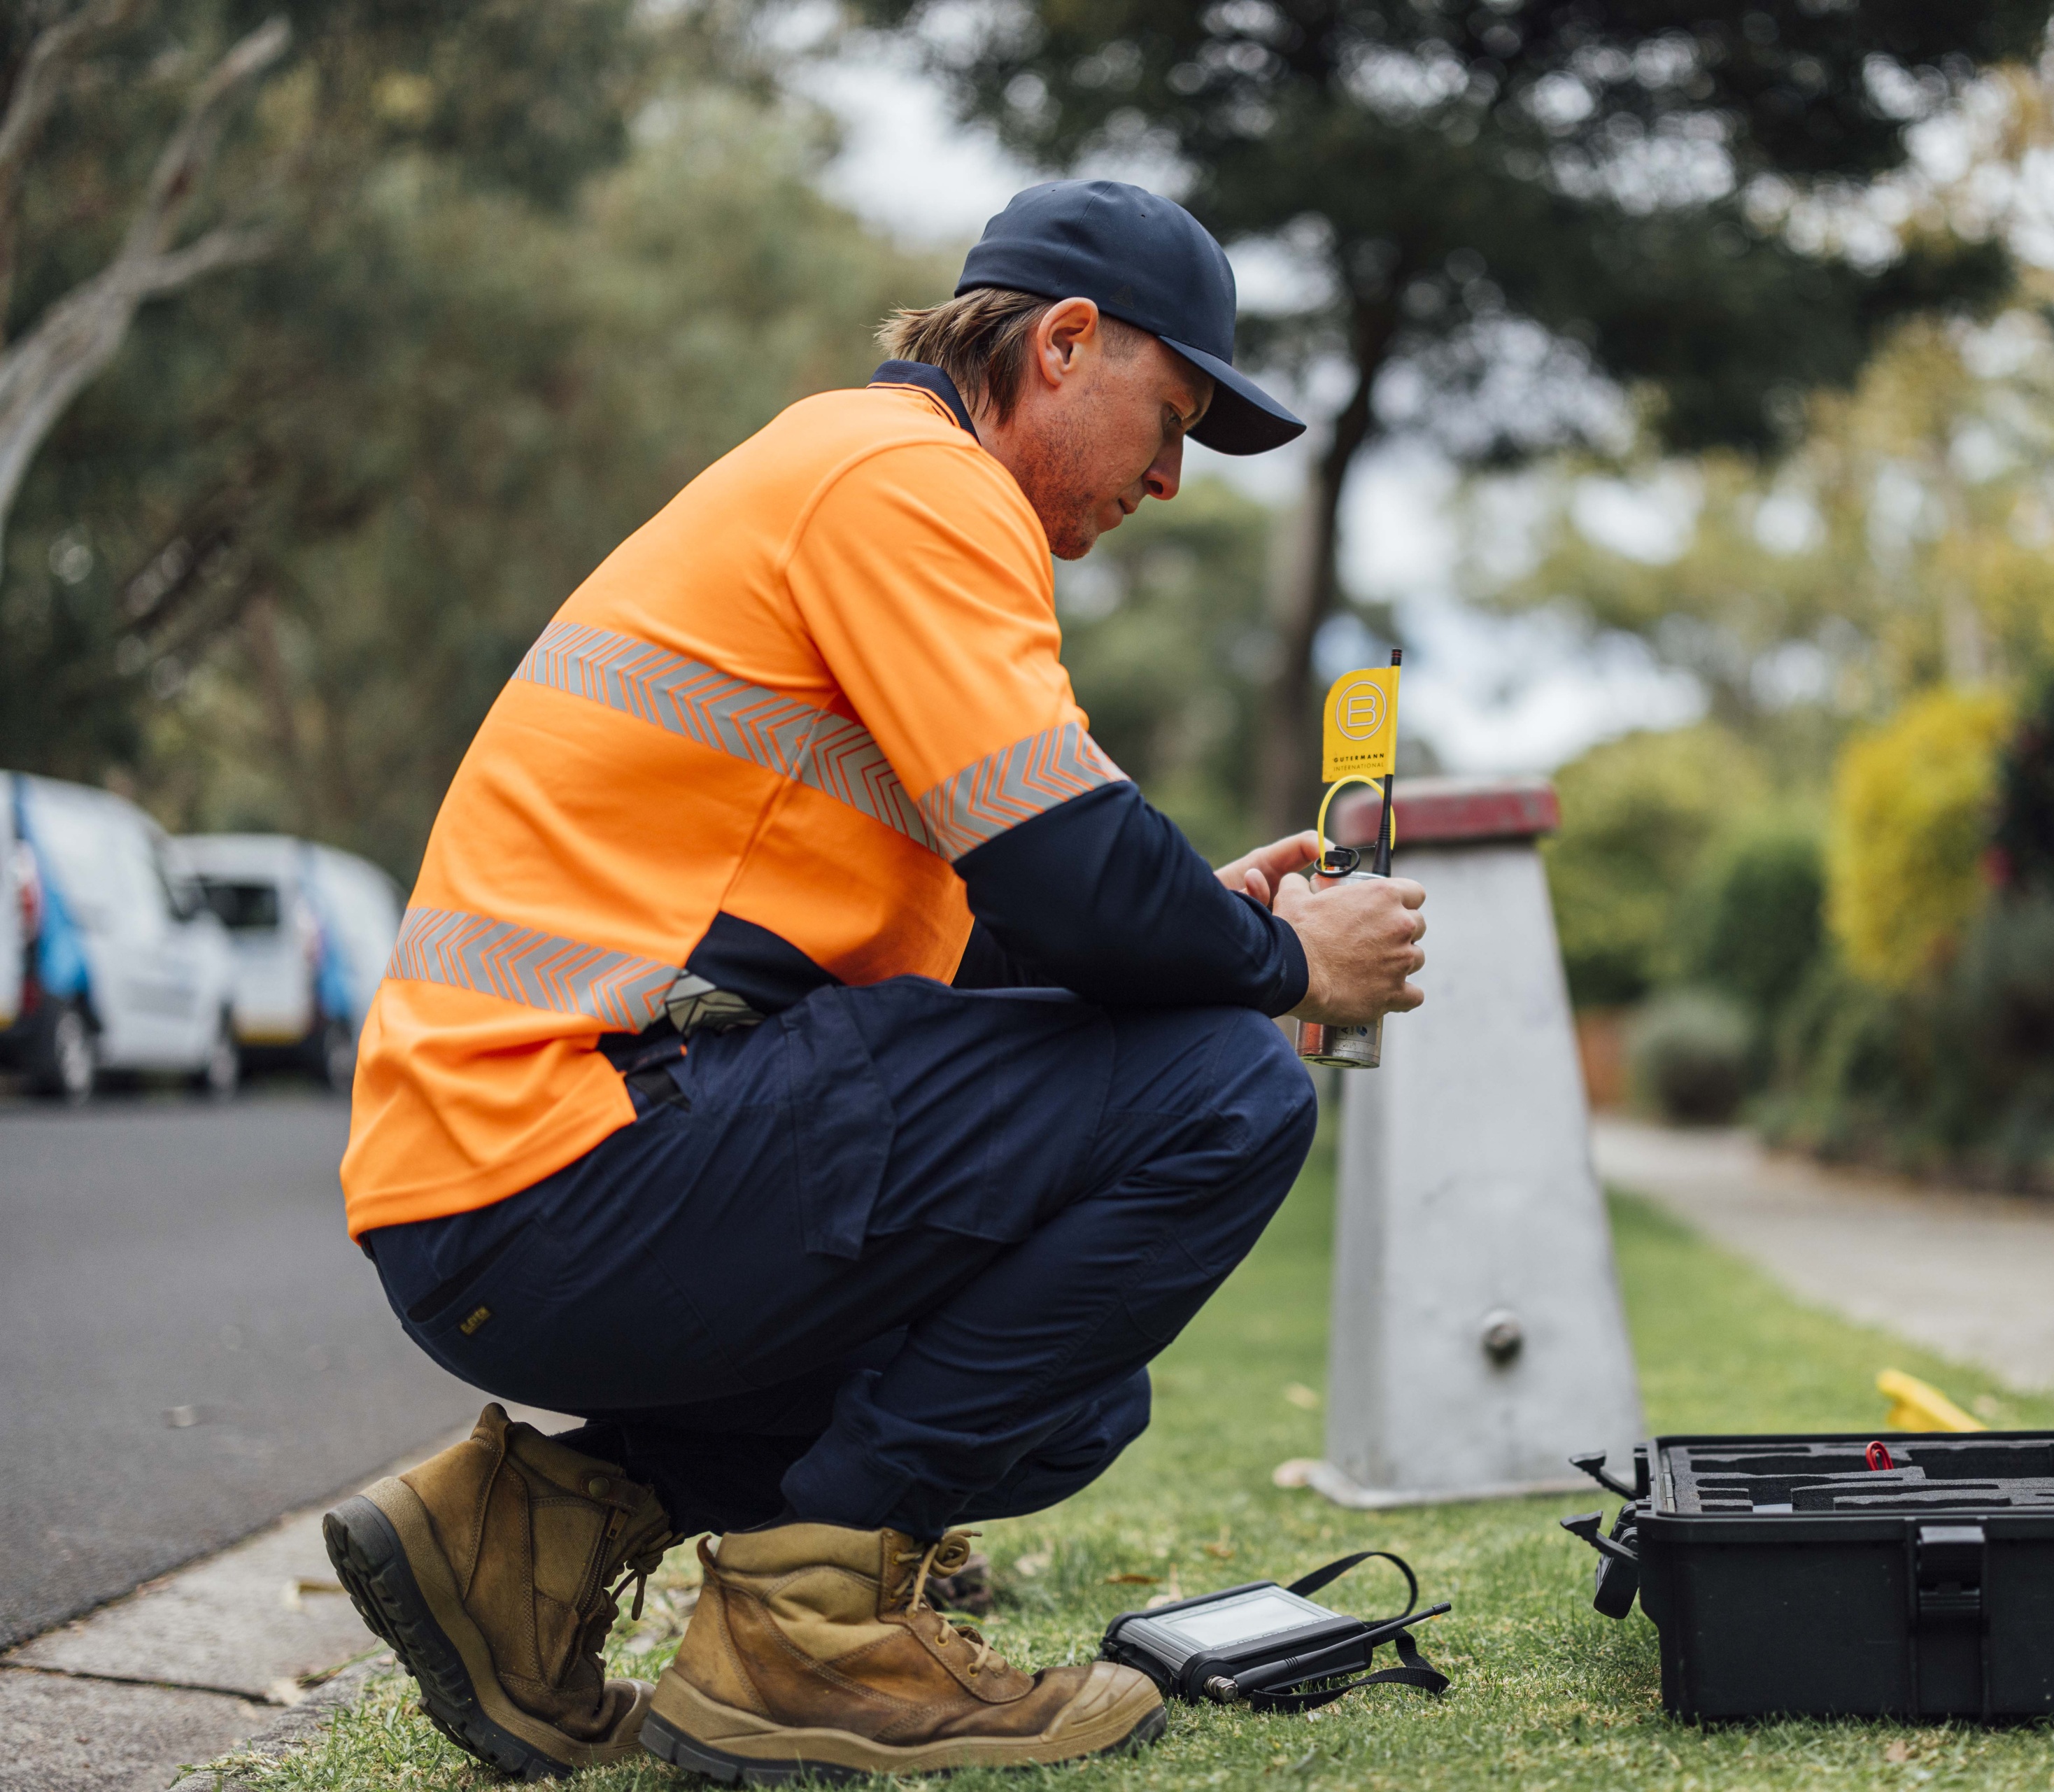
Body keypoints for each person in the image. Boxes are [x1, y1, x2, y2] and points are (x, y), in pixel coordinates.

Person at [318, 180, 1426, 1783]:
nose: (1170, 480)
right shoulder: (912, 481)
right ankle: (807, 1642)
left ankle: (525, 1532)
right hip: (570, 1158)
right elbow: (1074, 876)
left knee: (1068, 1405)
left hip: (527, 1182)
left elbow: (1032, 926)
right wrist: (1278, 965)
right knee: (1236, 1089)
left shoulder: (853, 478)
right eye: (1169, 418)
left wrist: (1215, 925)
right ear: (1063, 345)